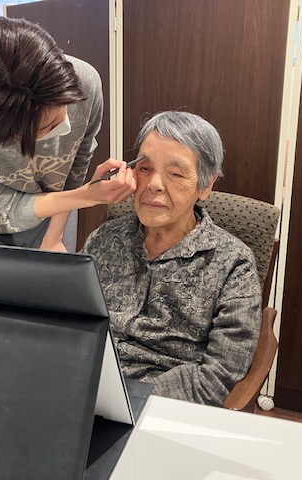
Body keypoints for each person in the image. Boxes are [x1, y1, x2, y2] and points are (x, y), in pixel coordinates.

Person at [81, 111, 262, 406]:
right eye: (144, 168)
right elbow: (74, 325)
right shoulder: (104, 239)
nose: (154, 184)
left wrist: (128, 401)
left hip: (163, 408)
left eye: (176, 174)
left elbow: (220, 374)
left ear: (206, 185)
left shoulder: (233, 263)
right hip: (84, 390)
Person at [0, 16, 135, 251]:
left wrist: (55, 236)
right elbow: (3, 206)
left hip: (57, 211)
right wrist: (88, 196)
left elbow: (73, 172)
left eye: (64, 107)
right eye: (47, 128)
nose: (65, 124)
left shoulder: (82, 83)